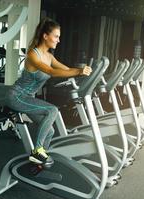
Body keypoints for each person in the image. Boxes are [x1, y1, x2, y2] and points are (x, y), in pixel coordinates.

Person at [5, 17, 92, 165]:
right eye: (56, 36)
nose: (58, 40)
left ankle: (38, 163)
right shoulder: (33, 55)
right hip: (17, 96)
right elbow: (52, 72)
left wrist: (83, 73)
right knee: (52, 111)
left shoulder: (49, 56)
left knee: (50, 131)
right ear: (45, 36)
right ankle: (37, 152)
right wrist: (78, 72)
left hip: (28, 98)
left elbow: (66, 69)